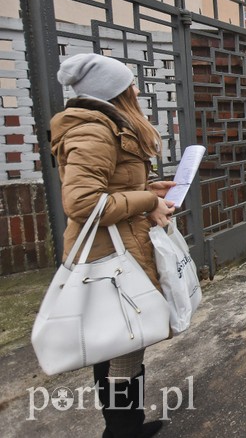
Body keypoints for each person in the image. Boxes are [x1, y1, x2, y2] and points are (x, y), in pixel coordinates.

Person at [51, 53, 176, 436]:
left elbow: (110, 187)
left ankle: (128, 426)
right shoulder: (93, 130)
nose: (137, 89)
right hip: (108, 254)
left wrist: (146, 190)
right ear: (116, 92)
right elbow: (83, 204)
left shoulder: (105, 124)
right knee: (120, 344)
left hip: (122, 245)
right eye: (130, 84)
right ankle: (121, 431)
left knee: (124, 342)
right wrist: (146, 201)